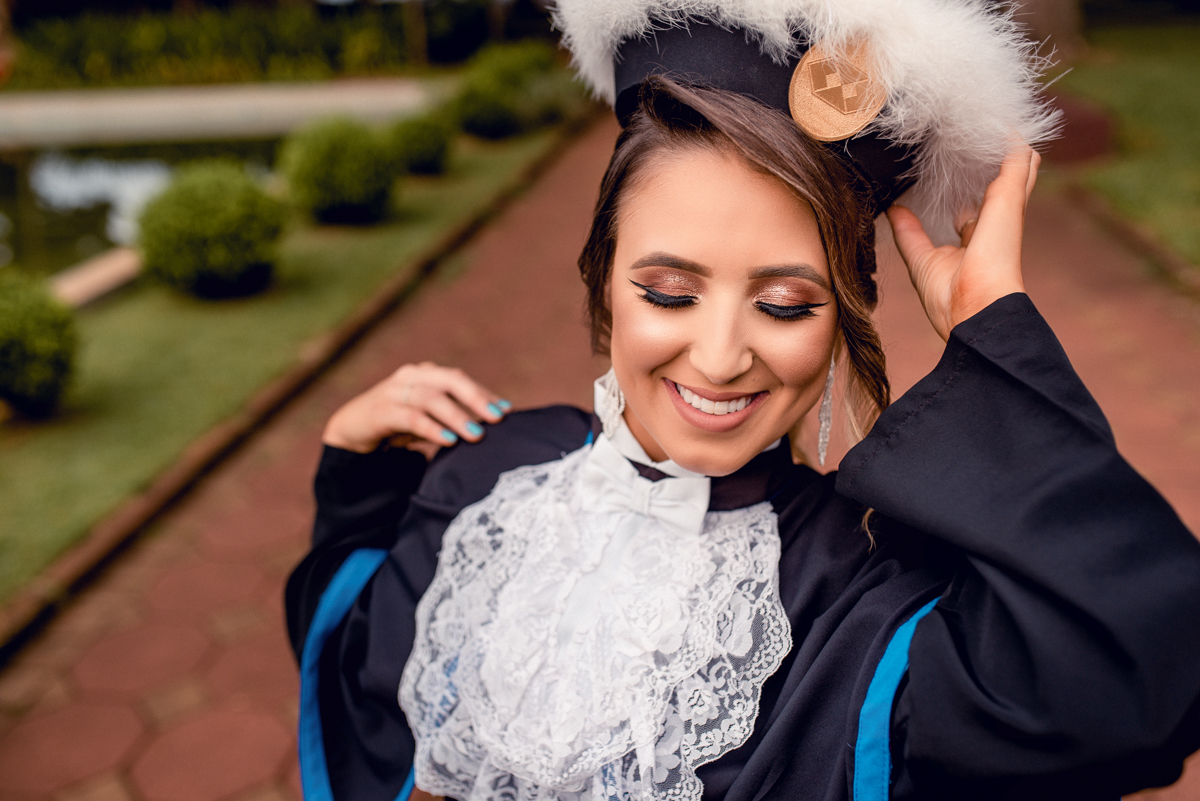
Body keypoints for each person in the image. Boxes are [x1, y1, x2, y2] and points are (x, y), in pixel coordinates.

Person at [285, 3, 1200, 800]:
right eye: (669, 293)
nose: (720, 358)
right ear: (605, 277)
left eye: (786, 305)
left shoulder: (852, 586)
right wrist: (353, 475)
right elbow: (352, 635)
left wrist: (991, 326)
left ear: (842, 318)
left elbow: (1140, 674)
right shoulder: (487, 476)